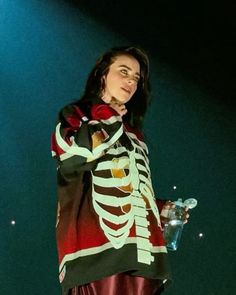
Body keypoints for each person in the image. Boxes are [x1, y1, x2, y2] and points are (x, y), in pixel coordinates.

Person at [51, 46, 189, 295]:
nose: (131, 81)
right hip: (96, 253)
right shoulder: (77, 114)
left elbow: (132, 187)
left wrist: (161, 209)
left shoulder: (135, 135)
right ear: (102, 74)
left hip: (143, 255)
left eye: (136, 78)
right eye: (123, 71)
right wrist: (108, 116)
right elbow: (71, 156)